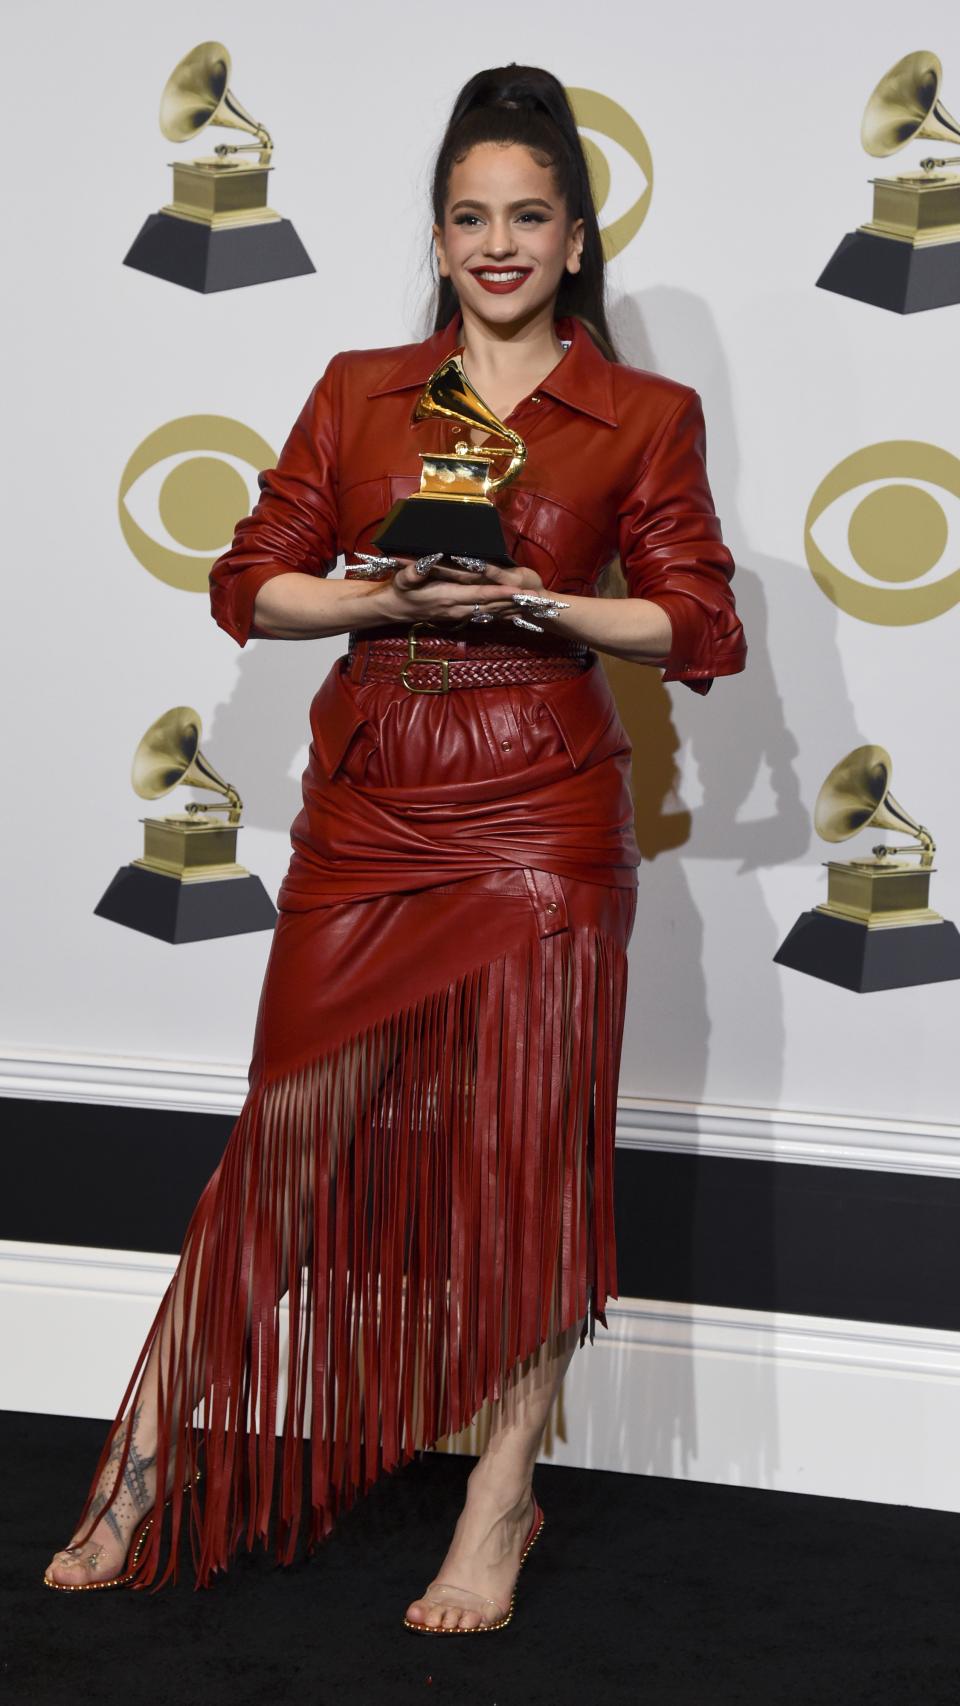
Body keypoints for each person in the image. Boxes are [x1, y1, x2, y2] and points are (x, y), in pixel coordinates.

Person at [43, 63, 746, 1632]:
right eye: (469, 216)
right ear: (439, 236)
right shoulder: (362, 386)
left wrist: (536, 604)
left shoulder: (642, 413)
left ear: (576, 240)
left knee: (526, 1170)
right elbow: (251, 578)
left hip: (541, 822)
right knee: (280, 1158)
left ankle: (503, 1496)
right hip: (371, 812)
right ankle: (146, 1460)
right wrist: (378, 594)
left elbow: (700, 625)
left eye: (530, 217)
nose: (498, 243)